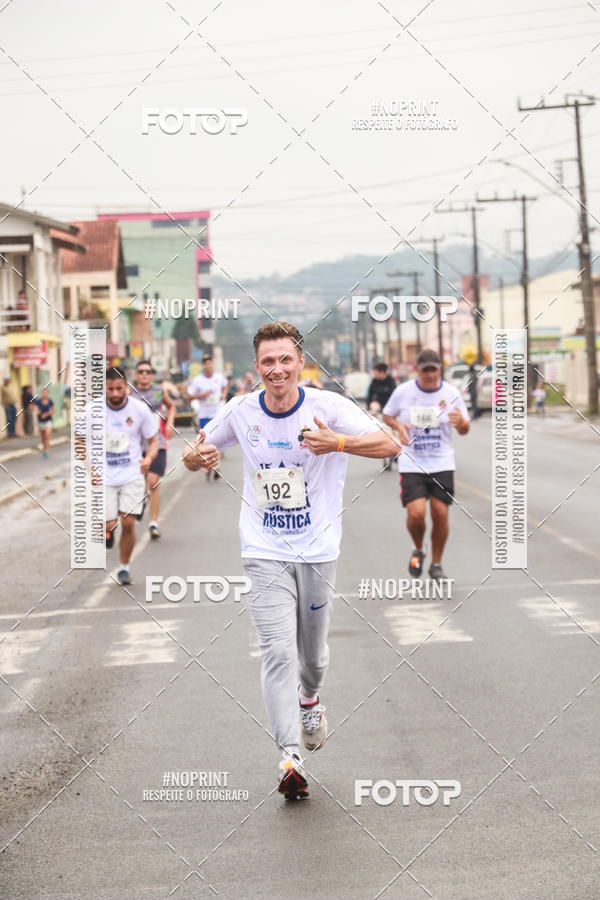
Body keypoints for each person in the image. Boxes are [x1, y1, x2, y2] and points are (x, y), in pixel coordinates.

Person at [182, 321, 400, 800]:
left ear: (300, 362)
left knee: (313, 657)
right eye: (267, 362)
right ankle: (289, 757)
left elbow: (389, 444)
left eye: (285, 360)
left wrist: (337, 443)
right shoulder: (241, 410)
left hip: (319, 549)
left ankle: (310, 700)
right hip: (263, 548)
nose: (276, 370)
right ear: (256, 366)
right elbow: (193, 453)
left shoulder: (329, 407)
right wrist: (201, 459)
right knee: (277, 649)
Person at [382, 348, 470, 582]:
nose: (430, 375)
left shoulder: (451, 393)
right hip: (412, 462)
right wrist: (399, 428)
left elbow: (464, 429)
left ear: (440, 369)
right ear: (417, 370)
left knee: (440, 513)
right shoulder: (403, 392)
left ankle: (437, 563)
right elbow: (387, 415)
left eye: (434, 369)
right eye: (425, 370)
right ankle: (419, 547)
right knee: (416, 514)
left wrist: (460, 422)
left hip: (441, 461)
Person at [77, 367, 158, 586]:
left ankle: (123, 567)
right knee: (110, 523)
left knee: (129, 523)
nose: (114, 393)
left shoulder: (139, 410)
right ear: (104, 387)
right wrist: (89, 468)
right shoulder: (92, 410)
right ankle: (107, 530)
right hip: (103, 477)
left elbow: (153, 442)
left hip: (131, 473)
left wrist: (148, 459)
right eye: (110, 389)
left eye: (118, 388)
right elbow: (78, 439)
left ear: (126, 387)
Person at [130, 360, 175, 540]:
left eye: (148, 372)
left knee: (153, 482)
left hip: (157, 443)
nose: (144, 374)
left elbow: (171, 405)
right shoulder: (129, 393)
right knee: (140, 482)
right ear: (136, 374)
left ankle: (153, 524)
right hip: (135, 446)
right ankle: (141, 502)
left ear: (152, 375)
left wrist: (170, 423)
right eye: (141, 371)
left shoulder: (158, 392)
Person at [187, 355, 228, 480]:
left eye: (210, 363)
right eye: (206, 364)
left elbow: (225, 386)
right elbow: (189, 396)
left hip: (218, 414)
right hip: (204, 415)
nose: (209, 366)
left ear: (212, 365)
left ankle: (215, 467)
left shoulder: (219, 377)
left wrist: (223, 395)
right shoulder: (198, 380)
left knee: (217, 441)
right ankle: (210, 466)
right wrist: (202, 395)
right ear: (203, 366)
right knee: (206, 442)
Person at [34, 388, 55, 457]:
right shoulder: (38, 401)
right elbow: (33, 407)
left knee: (47, 436)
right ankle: (44, 449)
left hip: (48, 421)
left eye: (46, 393)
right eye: (43, 393)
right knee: (43, 437)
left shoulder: (50, 401)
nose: (44, 394)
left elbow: (53, 411)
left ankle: (47, 450)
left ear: (48, 393)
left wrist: (46, 414)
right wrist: (37, 411)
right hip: (40, 421)